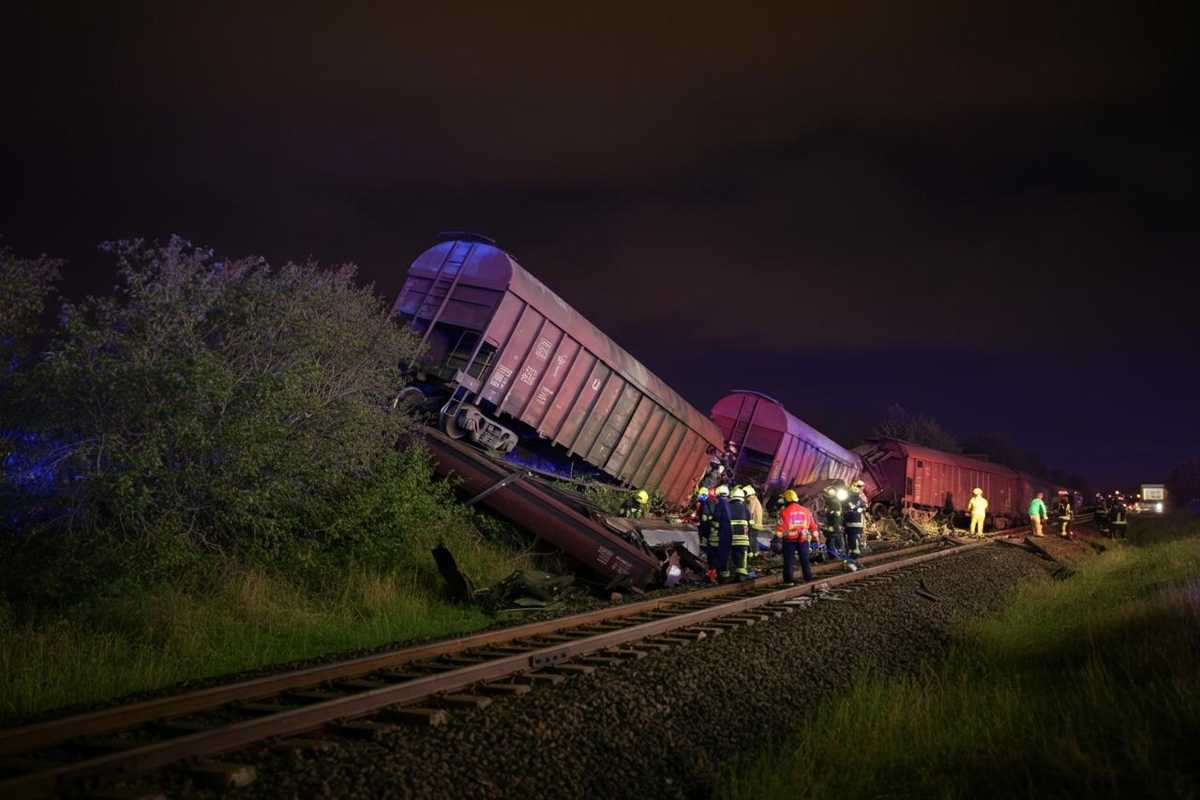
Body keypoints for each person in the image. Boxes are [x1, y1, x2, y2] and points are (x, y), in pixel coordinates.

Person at [774, 489, 818, 584]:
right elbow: (813, 526)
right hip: (804, 539)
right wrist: (815, 538)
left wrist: (777, 539)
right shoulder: (806, 511)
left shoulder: (784, 512)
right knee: (805, 559)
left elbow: (779, 529)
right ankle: (808, 578)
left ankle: (789, 581)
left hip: (789, 540)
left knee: (789, 560)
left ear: (786, 500)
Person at [729, 488, 752, 580]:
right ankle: (741, 571)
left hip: (730, 537)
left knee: (732, 553)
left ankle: (730, 571)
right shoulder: (744, 507)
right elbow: (750, 522)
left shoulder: (728, 507)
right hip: (743, 537)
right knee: (742, 554)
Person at [712, 485, 733, 581]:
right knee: (726, 553)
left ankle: (720, 574)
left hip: (722, 532)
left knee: (720, 553)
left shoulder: (719, 504)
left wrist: (713, 529)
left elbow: (716, 518)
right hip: (730, 532)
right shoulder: (729, 504)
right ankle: (725, 575)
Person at [696, 487, 716, 579]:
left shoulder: (705, 504)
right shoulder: (716, 503)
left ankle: (708, 566)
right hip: (713, 531)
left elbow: (703, 517)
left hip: (706, 529)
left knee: (706, 546)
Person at [844, 479, 868, 556]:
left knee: (856, 535)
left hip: (857, 520)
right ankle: (851, 549)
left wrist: (861, 509)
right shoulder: (847, 496)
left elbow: (865, 505)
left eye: (858, 486)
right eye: (854, 485)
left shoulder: (861, 496)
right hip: (848, 519)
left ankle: (859, 547)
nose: (856, 487)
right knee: (849, 535)